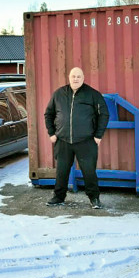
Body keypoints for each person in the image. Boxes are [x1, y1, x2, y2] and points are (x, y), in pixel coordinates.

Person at [44, 67, 109, 209]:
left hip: (86, 141)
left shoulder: (92, 94)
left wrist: (98, 135)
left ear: (83, 78)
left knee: (89, 171)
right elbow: (48, 114)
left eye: (78, 76)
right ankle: (58, 197)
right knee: (62, 171)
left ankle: (94, 199)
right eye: (73, 76)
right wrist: (52, 133)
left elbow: (104, 114)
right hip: (63, 141)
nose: (75, 79)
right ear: (69, 77)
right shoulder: (59, 94)